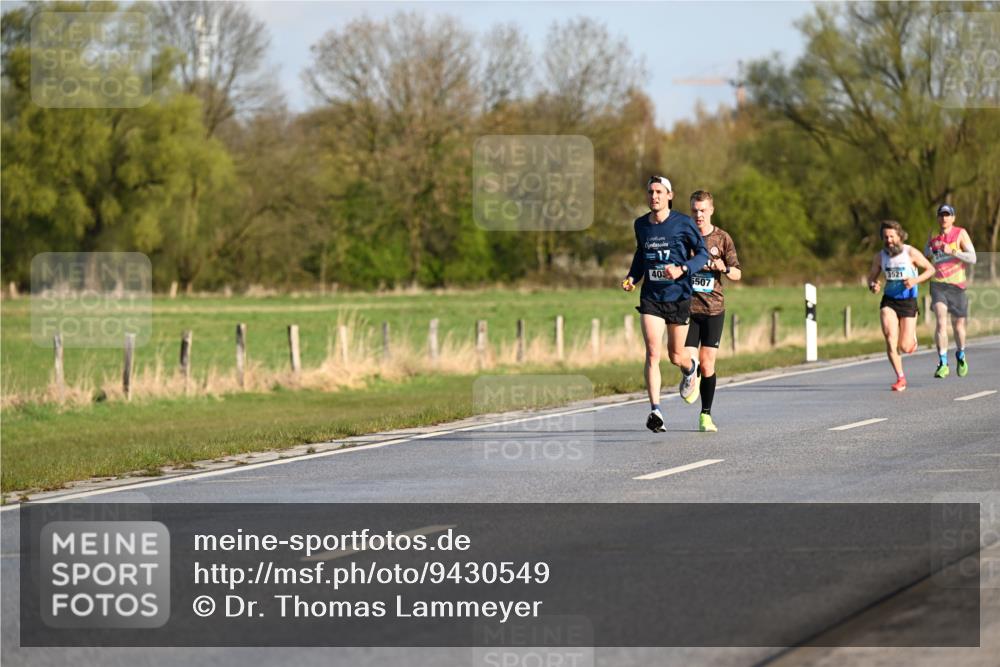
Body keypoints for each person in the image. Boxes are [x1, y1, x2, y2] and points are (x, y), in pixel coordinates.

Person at [622, 176, 709, 433]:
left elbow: (702, 253)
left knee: (675, 355)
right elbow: (641, 254)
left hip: (679, 296)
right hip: (651, 298)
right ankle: (656, 411)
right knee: (652, 352)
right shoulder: (641, 225)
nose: (654, 196)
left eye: (659, 192)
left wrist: (682, 269)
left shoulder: (683, 223)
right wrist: (632, 277)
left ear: (669, 195)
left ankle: (690, 368)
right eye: (650, 192)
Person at [684, 191, 741, 431]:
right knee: (685, 359)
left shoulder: (722, 238)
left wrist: (725, 268)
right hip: (686, 308)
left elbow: (738, 273)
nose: (699, 215)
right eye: (695, 210)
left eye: (703, 210)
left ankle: (705, 415)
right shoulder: (684, 236)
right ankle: (690, 374)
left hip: (713, 310)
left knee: (707, 365)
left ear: (711, 210)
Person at [867, 220, 935, 391]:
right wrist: (873, 285)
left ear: (899, 236)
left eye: (891, 236)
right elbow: (871, 277)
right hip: (889, 301)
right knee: (890, 338)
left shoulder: (910, 252)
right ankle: (900, 378)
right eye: (885, 237)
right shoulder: (880, 256)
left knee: (905, 346)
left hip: (908, 301)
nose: (888, 240)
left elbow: (931, 269)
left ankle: (912, 339)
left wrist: (915, 280)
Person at [925, 204, 977, 378]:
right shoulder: (933, 235)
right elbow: (925, 255)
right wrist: (931, 251)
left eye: (947, 215)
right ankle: (943, 362)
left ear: (953, 218)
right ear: (938, 218)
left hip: (957, 286)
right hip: (938, 285)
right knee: (941, 322)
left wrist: (953, 251)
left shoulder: (960, 233)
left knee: (958, 326)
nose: (944, 218)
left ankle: (961, 354)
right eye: (941, 215)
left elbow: (973, 258)